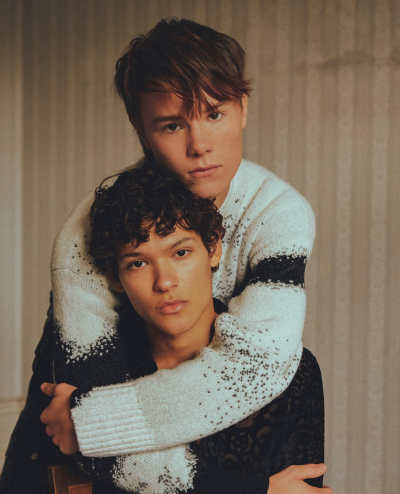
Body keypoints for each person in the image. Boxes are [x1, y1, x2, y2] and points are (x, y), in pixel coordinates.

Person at [0, 17, 332, 494]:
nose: (200, 146)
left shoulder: (279, 215)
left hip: (200, 441)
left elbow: (254, 369)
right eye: (173, 125)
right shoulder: (85, 232)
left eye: (214, 114)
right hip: (56, 462)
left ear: (243, 108)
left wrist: (94, 423)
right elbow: (84, 435)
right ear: (141, 129)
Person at [53, 165, 325, 493]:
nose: (164, 282)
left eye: (180, 252)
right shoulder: (101, 376)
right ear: (116, 278)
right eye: (138, 263)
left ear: (213, 249)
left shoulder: (293, 372)